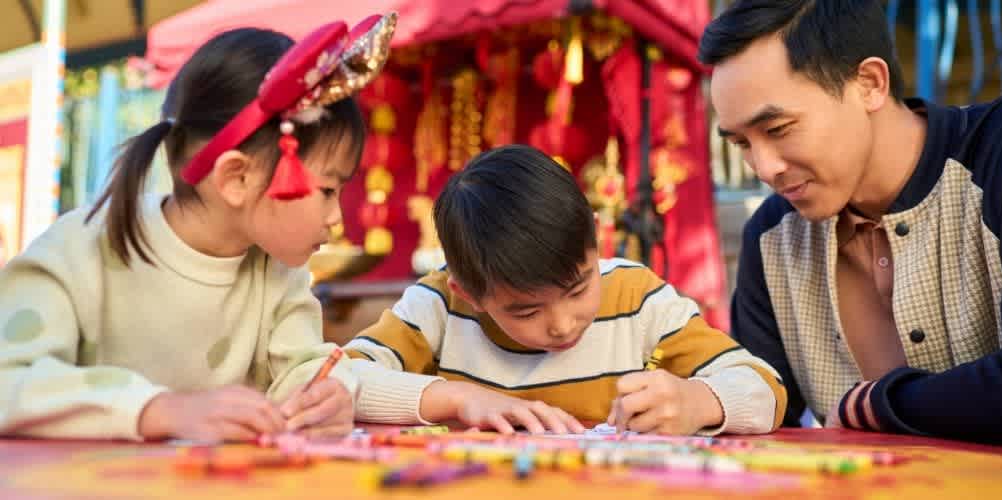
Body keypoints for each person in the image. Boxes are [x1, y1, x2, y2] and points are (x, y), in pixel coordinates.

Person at [0, 14, 409, 442]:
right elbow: (9, 376)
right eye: (327, 190)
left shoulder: (276, 272)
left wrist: (328, 395)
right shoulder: (79, 248)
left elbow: (304, 367)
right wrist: (155, 410)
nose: (336, 218)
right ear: (236, 178)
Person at [700, 0, 1002, 444]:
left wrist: (878, 406)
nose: (764, 166)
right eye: (741, 143)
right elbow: (759, 424)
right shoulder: (772, 240)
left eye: (777, 129)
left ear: (869, 84)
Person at [343, 145, 786, 435]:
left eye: (578, 289)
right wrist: (457, 398)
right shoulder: (440, 304)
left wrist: (698, 401)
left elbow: (766, 389)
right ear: (471, 295)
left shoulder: (635, 296)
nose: (562, 324)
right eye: (526, 312)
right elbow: (338, 382)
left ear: (594, 240)